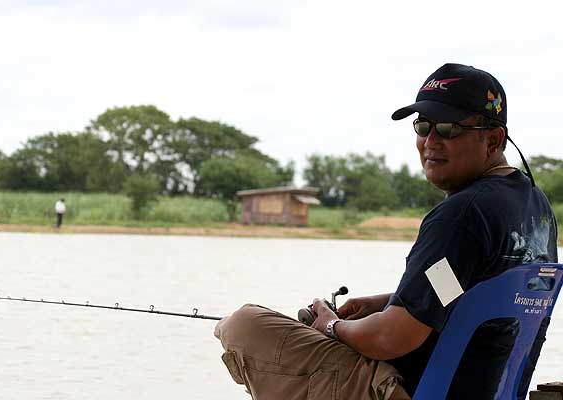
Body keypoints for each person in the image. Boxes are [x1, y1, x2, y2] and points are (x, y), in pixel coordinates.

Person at [214, 63, 558, 399]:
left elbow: (391, 339)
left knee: (244, 326)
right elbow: (468, 289)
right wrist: (391, 302)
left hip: (416, 388)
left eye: (449, 129)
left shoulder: (460, 216)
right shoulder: (537, 207)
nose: (431, 142)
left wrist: (332, 326)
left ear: (494, 139)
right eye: (423, 126)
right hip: (487, 388)